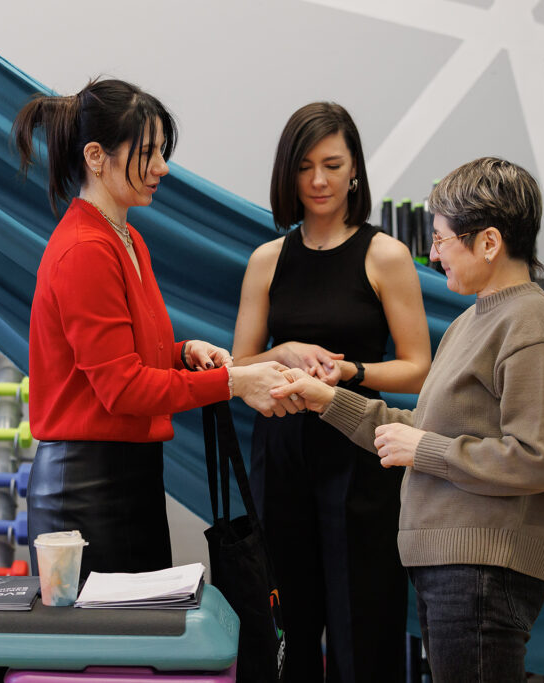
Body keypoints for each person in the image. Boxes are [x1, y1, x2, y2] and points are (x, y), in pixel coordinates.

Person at [271, 157, 544, 682]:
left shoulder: (532, 325)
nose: (433, 254)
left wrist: (425, 451)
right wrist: (327, 400)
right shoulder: (472, 321)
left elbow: (539, 458)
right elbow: (421, 426)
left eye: (441, 240)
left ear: (489, 242)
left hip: (481, 571)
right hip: (453, 568)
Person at [13, 78, 296, 580]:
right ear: (95, 157)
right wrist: (233, 382)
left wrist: (182, 352)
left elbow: (125, 357)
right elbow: (122, 388)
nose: (162, 167)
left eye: (162, 152)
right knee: (111, 632)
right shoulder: (86, 249)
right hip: (86, 494)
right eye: (147, 153)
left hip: (132, 476)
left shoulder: (126, 240)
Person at [231, 102, 431, 682]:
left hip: (361, 453)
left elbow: (420, 369)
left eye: (332, 165)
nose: (318, 180)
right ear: (288, 174)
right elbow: (238, 367)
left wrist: (351, 373)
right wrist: (284, 352)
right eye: (305, 167)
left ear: (355, 171)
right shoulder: (267, 261)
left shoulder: (385, 255)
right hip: (280, 457)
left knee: (363, 625)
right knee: (284, 625)